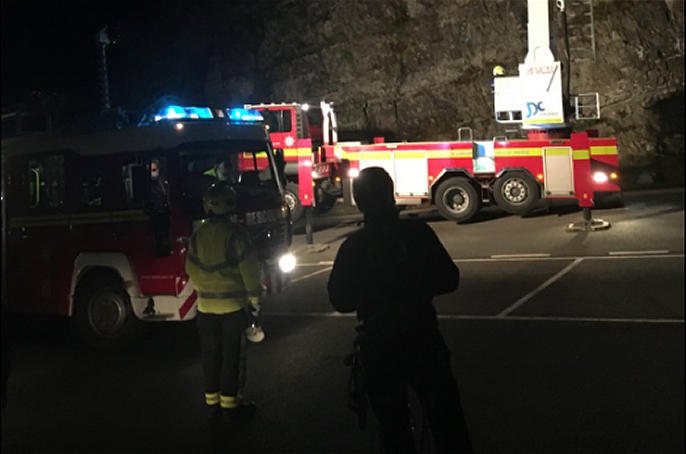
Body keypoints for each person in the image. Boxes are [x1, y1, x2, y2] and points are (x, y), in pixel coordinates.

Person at [327, 167, 473, 454]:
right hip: (422, 338)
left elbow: (340, 299)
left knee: (392, 427)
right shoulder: (417, 233)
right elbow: (449, 278)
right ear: (390, 193)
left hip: (380, 345)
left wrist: (373, 293)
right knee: (447, 421)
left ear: (358, 200)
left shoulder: (354, 247)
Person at [186, 183, 261, 422]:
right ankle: (231, 406)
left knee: (210, 357)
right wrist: (255, 300)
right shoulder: (237, 234)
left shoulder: (198, 235)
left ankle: (212, 404)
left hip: (205, 310)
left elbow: (191, 269)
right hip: (233, 310)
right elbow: (250, 271)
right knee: (232, 358)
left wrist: (205, 290)